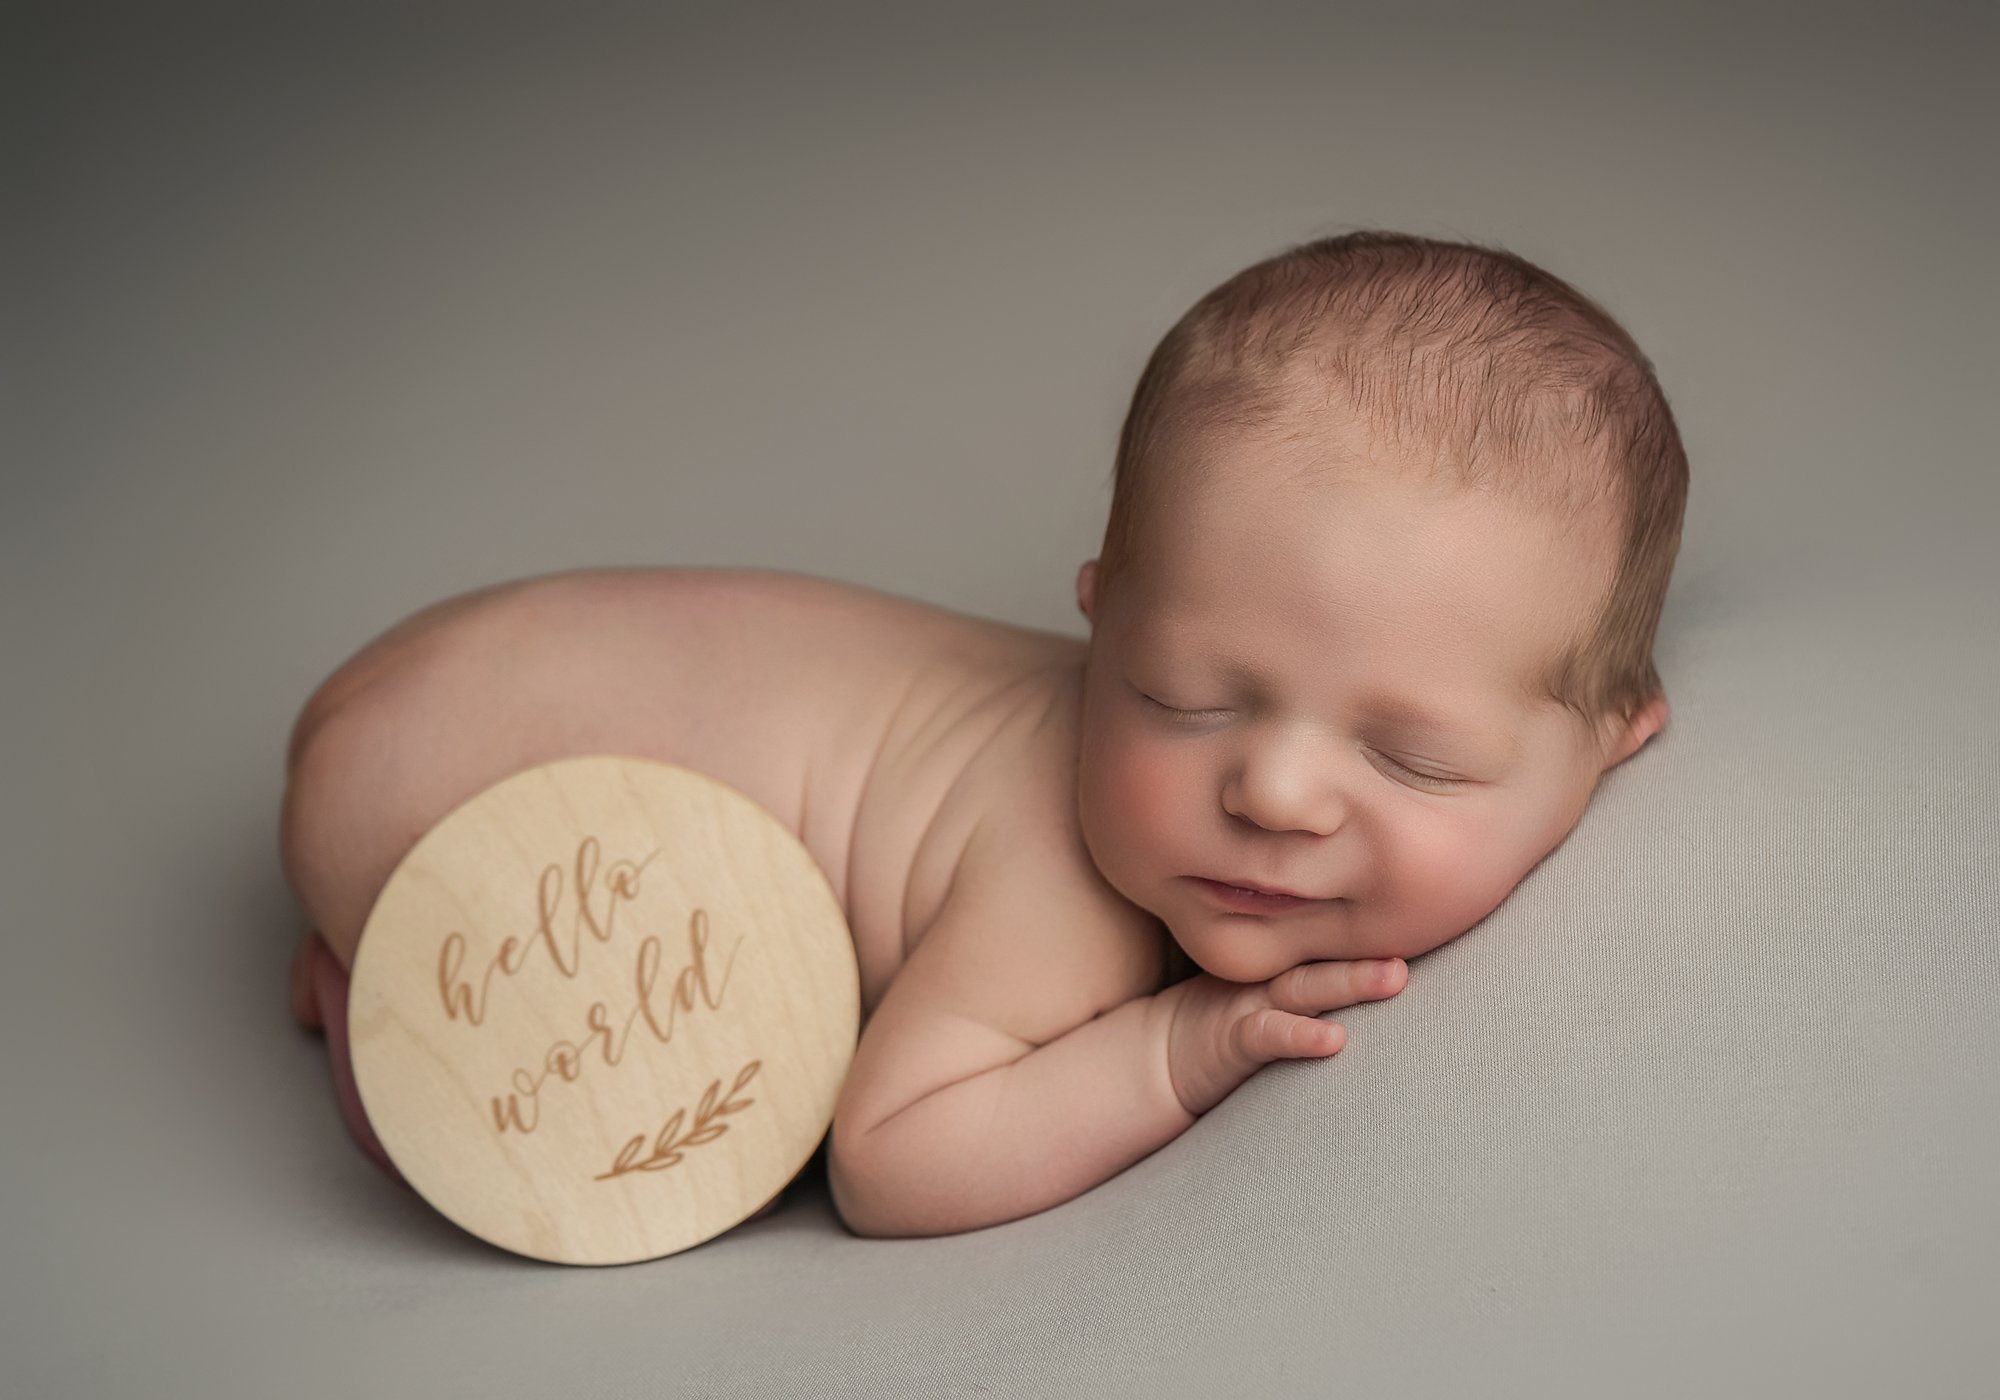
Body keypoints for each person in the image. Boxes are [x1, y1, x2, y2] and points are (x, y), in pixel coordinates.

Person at [281, 229, 1687, 1239]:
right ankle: (376, 988)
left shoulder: (1222, 780)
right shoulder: (1063, 895)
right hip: (444, 775)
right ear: (1099, 623)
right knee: (551, 1133)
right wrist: (1175, 1052)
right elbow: (889, 1163)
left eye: (1411, 757)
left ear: (1619, 738)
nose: (1271, 787)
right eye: (1183, 700)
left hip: (472, 671)